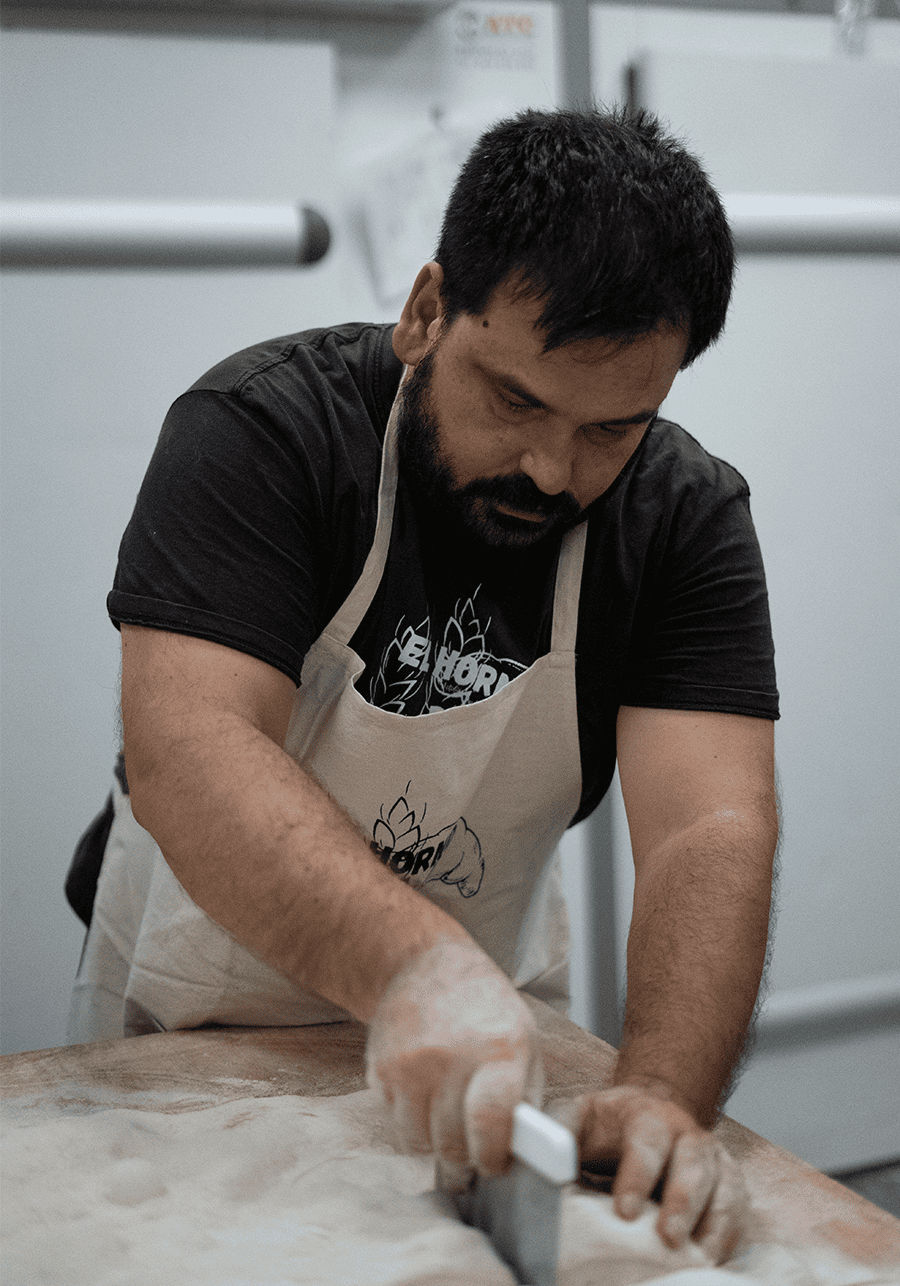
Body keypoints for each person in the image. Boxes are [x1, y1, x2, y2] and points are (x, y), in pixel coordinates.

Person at [67, 106, 779, 1262]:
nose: (552, 469)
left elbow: (710, 828)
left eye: (613, 429)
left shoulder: (682, 520)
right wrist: (413, 962)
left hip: (485, 1049)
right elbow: (191, 749)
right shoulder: (264, 429)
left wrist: (662, 1094)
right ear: (426, 310)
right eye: (516, 401)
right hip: (188, 1027)